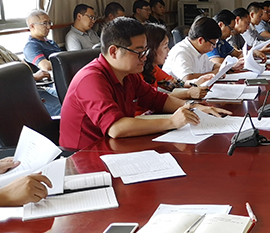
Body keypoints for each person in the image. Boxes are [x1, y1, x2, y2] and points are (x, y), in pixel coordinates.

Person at [59, 17, 230, 150]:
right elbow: (116, 128)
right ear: (114, 52)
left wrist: (195, 107)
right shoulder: (91, 79)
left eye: (146, 51)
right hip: (86, 155)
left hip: (116, 147)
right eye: (139, 52)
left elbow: (158, 99)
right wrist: (172, 121)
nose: (145, 57)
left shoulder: (129, 74)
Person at [142, 23, 211, 101]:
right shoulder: (138, 73)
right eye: (165, 46)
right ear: (151, 49)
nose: (168, 50)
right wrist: (188, 93)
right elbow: (153, 98)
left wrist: (196, 82)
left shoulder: (154, 68)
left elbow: (174, 84)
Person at [0, 44, 61, 116]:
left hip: (35, 88)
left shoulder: (1, 48)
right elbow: (5, 81)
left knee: (67, 98)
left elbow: (25, 66)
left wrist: (29, 76)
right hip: (18, 97)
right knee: (63, 109)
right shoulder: (31, 46)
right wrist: (33, 77)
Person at [162, 16, 223, 81]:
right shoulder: (181, 52)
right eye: (213, 44)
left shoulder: (199, 50)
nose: (214, 46)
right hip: (174, 87)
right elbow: (187, 78)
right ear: (200, 40)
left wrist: (223, 68)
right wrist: (213, 74)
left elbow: (213, 66)